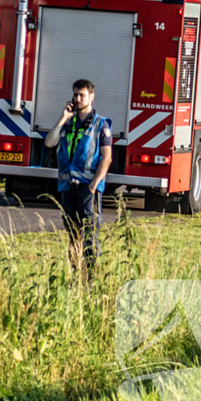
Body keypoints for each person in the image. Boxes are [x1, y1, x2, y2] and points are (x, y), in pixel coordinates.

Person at [44, 79, 112, 276]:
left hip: (88, 188)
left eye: (82, 95)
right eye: (75, 94)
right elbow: (49, 142)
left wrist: (94, 185)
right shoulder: (69, 123)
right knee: (73, 236)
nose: (78, 98)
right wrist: (63, 118)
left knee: (90, 235)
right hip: (68, 187)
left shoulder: (101, 125)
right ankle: (76, 275)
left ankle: (90, 277)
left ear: (91, 97)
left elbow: (106, 158)